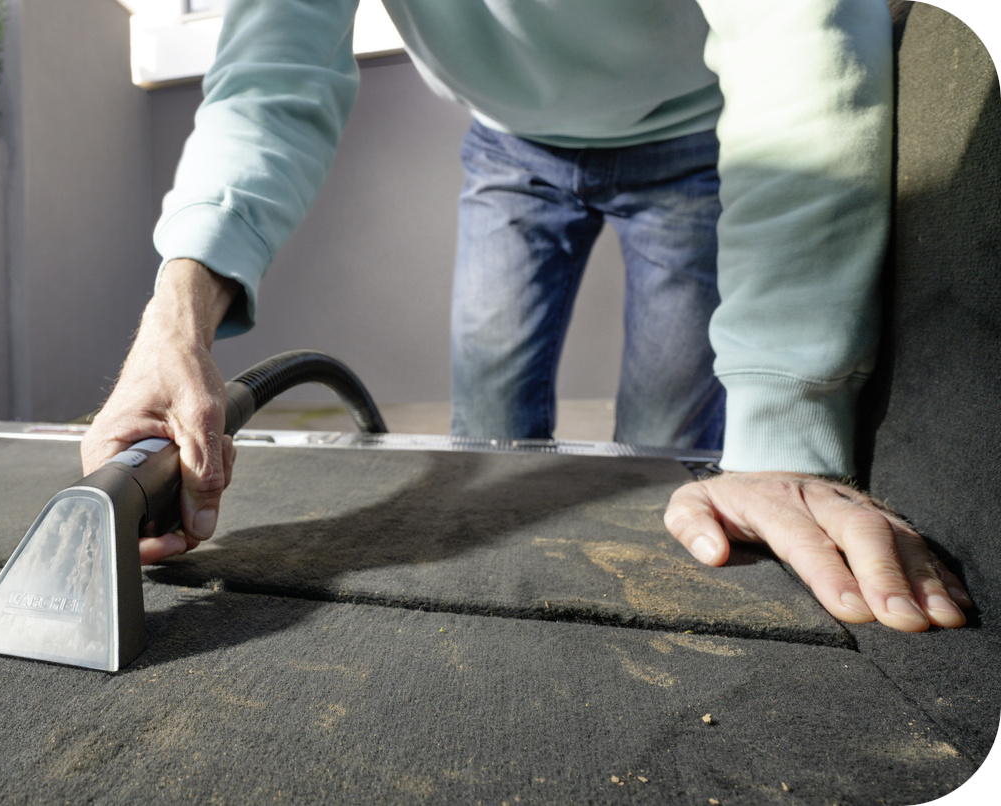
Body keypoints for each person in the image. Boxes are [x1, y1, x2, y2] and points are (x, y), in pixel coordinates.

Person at [83, 0, 973, 632]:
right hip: (511, 145)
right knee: (488, 431)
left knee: (673, 445)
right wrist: (176, 322)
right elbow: (268, 81)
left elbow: (797, 35)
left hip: (694, 129)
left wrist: (781, 438)